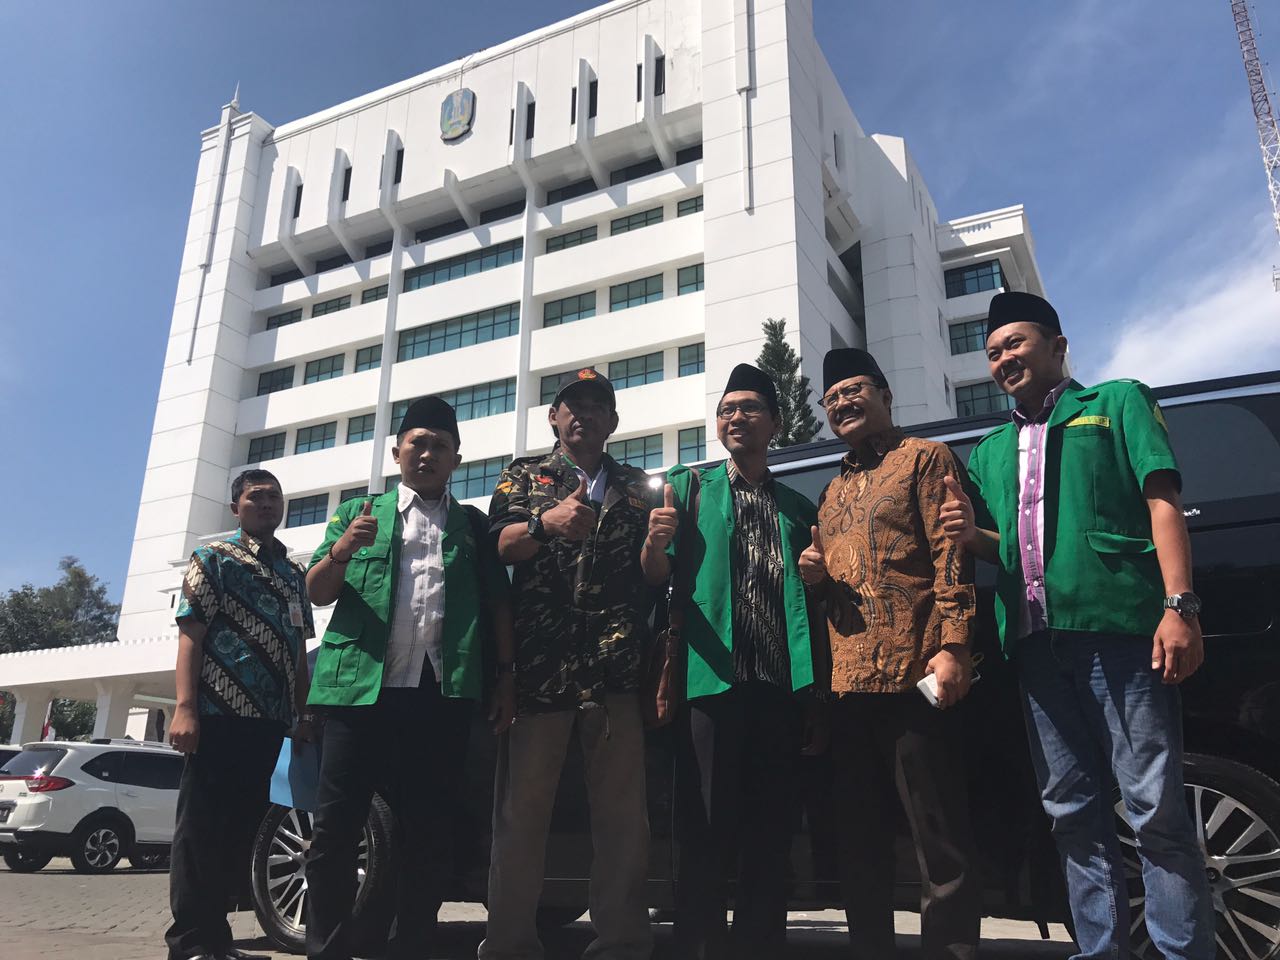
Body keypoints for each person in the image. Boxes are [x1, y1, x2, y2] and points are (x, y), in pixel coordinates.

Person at [939, 291, 1213, 959]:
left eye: (1017, 344)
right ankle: (1100, 952)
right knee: (1072, 818)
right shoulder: (990, 450)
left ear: (1058, 347)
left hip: (1121, 636)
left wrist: (1180, 606)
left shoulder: (1117, 404)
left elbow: (1162, 502)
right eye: (995, 351)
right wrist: (970, 535)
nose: (1004, 358)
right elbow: (1004, 547)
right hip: (1035, 651)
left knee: (1155, 814)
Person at [303, 396, 515, 960]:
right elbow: (318, 592)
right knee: (335, 831)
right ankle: (326, 947)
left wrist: (506, 678)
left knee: (428, 831)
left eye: (439, 446)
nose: (427, 454)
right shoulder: (358, 514)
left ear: (456, 458)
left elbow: (497, 606)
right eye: (417, 444)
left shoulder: (472, 526)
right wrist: (342, 553)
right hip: (359, 693)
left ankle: (411, 944)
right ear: (397, 452)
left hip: (438, 694)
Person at [640, 363, 826, 960]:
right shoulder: (689, 487)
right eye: (726, 409)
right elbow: (655, 575)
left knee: (769, 837)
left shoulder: (798, 507)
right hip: (710, 683)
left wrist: (818, 578)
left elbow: (811, 599)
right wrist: (654, 539)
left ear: (774, 422)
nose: (736, 417)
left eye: (749, 407)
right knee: (705, 831)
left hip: (778, 686)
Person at [800, 348, 980, 960]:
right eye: (833, 398)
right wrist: (816, 580)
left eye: (856, 390)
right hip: (849, 689)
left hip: (914, 678)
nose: (844, 403)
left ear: (884, 394)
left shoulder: (924, 459)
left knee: (938, 840)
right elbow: (831, 599)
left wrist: (954, 645)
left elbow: (952, 553)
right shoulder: (830, 491)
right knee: (860, 843)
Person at [479, 368, 655, 960]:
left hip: (614, 674)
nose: (583, 414)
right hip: (539, 672)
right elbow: (494, 549)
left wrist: (658, 545)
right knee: (521, 819)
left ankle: (623, 942)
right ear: (553, 418)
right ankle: (508, 945)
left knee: (623, 821)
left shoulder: (638, 486)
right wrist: (542, 524)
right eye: (570, 406)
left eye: (596, 406)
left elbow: (654, 573)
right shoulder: (525, 476)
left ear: (612, 422)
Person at [166, 469, 316, 960]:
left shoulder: (293, 573)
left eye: (275, 496)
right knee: (201, 832)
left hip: (269, 723)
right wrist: (185, 709)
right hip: (216, 715)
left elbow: (296, 649)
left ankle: (218, 939)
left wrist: (303, 711)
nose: (267, 504)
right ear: (236, 507)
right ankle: (189, 942)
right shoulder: (214, 558)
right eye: (257, 497)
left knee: (240, 833)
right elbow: (191, 634)